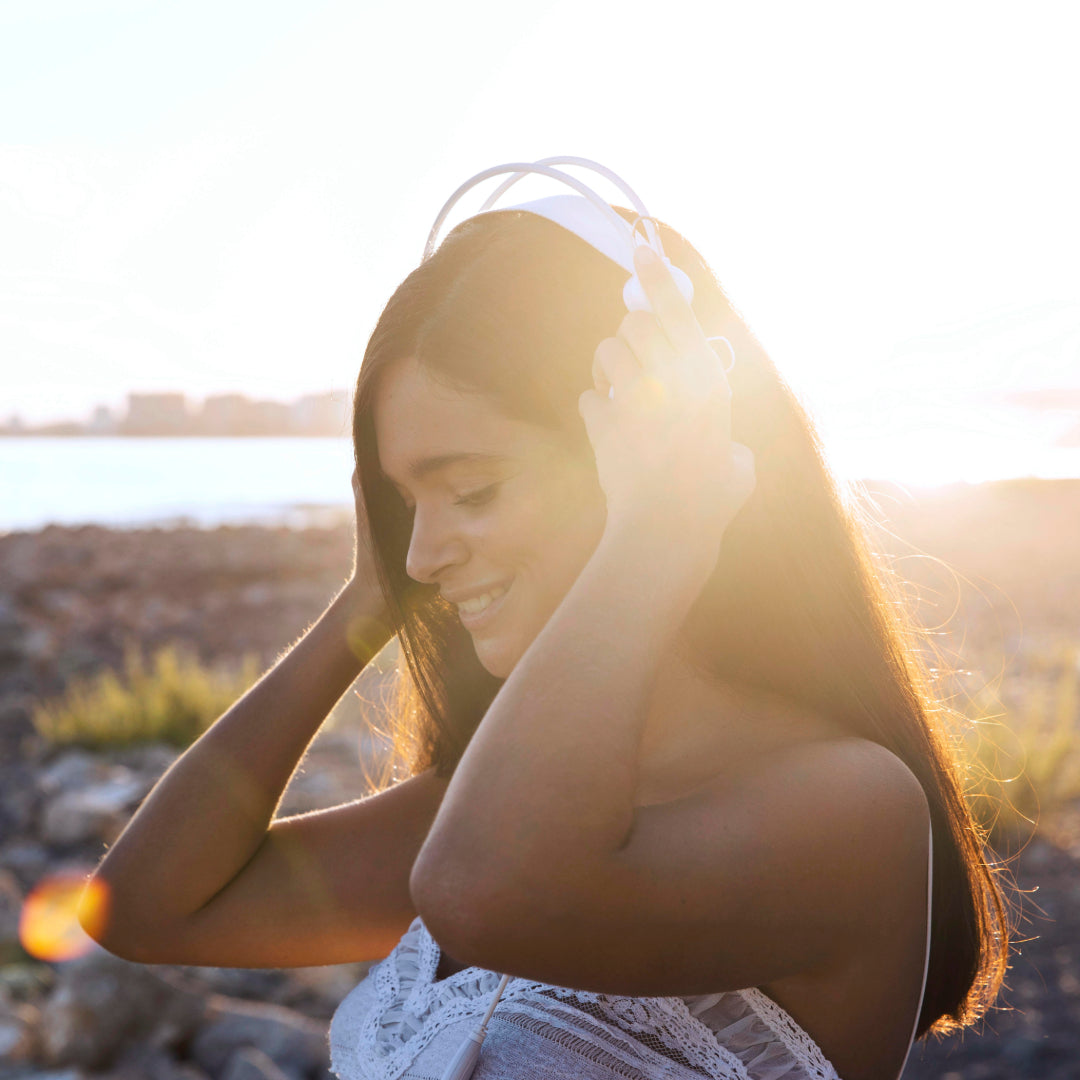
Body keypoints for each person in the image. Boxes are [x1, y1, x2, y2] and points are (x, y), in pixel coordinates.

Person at [80, 192, 1009, 1080]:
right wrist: (366, 603)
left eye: (472, 490)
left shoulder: (847, 807)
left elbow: (483, 899)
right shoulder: (485, 806)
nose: (426, 553)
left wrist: (660, 532)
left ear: (650, 448)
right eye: (405, 506)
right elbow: (144, 911)